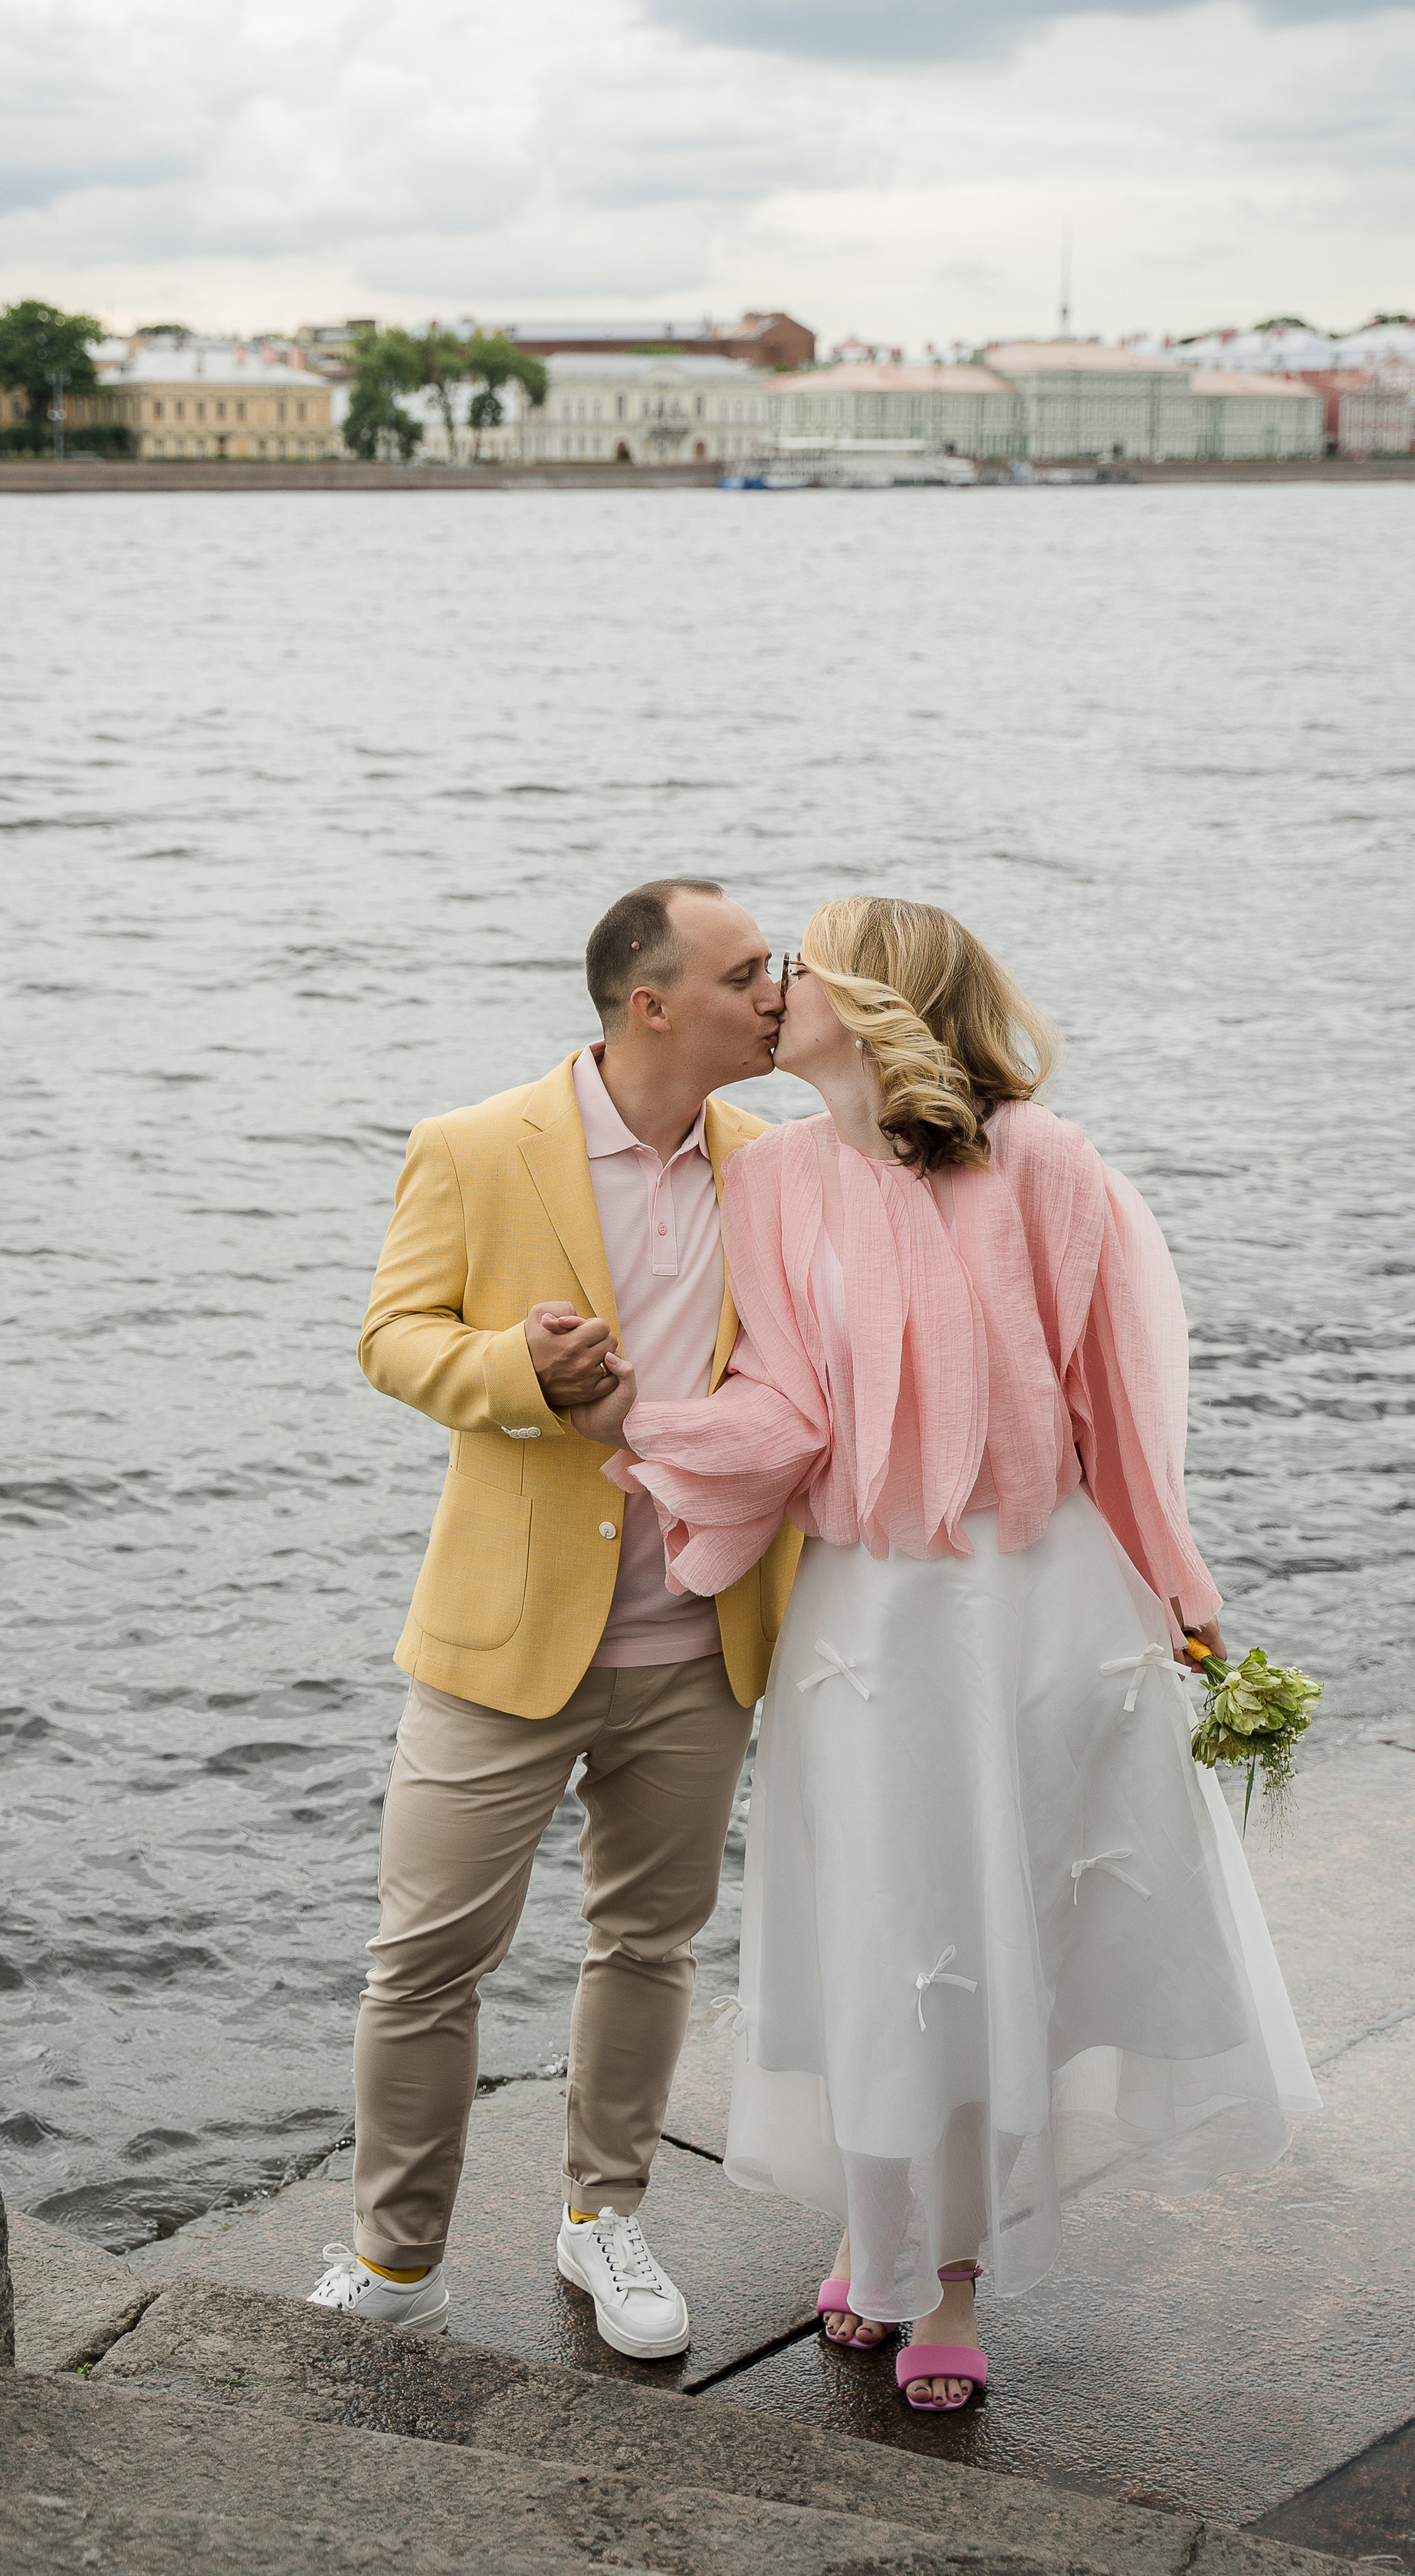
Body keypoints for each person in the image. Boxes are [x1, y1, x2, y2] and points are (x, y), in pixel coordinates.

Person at [570, 896, 1317, 2413]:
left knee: (990, 1940)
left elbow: (1112, 1401)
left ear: (878, 994)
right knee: (876, 1926)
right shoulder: (773, 1183)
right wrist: (636, 1431)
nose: (773, 993)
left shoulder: (1040, 1160)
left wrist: (1177, 1589)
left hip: (1033, 1605)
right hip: (864, 1618)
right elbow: (787, 1406)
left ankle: (952, 2279)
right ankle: (876, 2225)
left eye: (803, 968)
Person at [307, 880, 803, 2356]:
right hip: (504, 1635)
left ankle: (604, 2219)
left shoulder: (777, 1166)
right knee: (422, 1962)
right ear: (650, 1004)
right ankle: (399, 2262)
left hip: (702, 1632)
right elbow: (393, 1337)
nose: (778, 994)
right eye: (745, 974)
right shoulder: (474, 1148)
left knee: (650, 1944)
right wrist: (519, 1370)